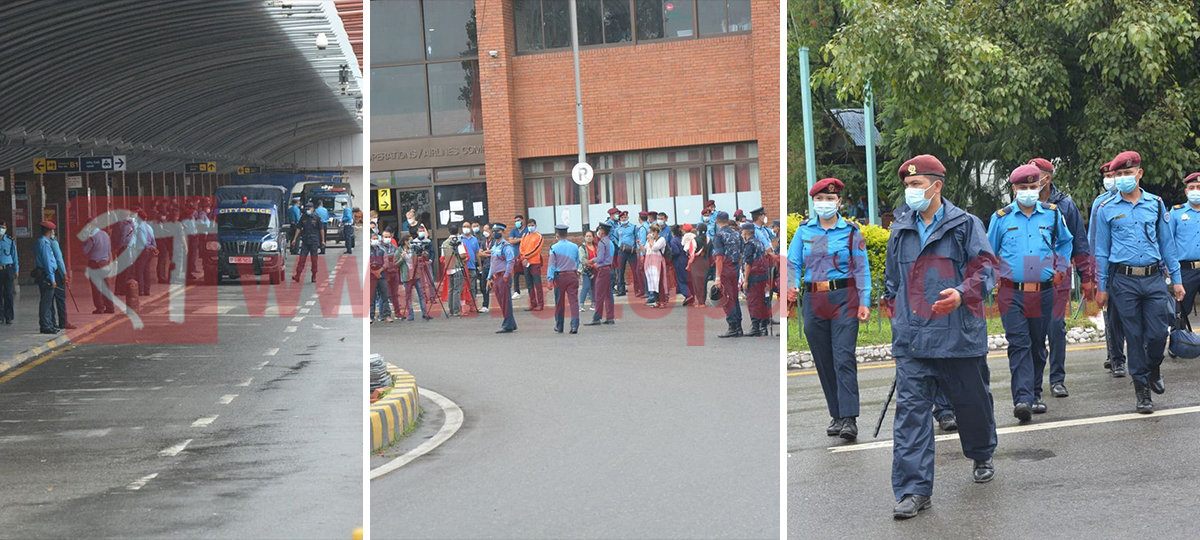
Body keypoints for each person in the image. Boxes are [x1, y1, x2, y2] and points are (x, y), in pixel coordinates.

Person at [881, 154, 998, 519]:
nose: (910, 192)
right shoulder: (900, 229)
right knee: (912, 416)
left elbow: (988, 269)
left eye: (916, 185)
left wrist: (963, 293)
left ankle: (981, 453)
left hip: (958, 336)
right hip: (914, 340)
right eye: (907, 186)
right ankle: (914, 490)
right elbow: (893, 281)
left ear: (936, 186)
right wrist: (897, 316)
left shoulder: (965, 225)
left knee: (971, 405)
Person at [1094, 150, 1183, 414]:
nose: (1122, 178)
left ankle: (1153, 367)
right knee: (1133, 336)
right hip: (1123, 280)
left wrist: (1176, 280)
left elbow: (1168, 245)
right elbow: (1101, 251)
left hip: (1154, 278)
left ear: (1139, 173)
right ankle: (1142, 390)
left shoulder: (1155, 204)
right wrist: (1101, 287)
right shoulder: (1105, 209)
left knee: (1158, 333)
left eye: (1127, 173)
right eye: (1118, 174)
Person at [988, 164, 1074, 423]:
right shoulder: (1001, 218)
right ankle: (1022, 399)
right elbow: (988, 252)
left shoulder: (1052, 214)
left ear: (1040, 187)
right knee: (1020, 344)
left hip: (1043, 290)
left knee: (1037, 345)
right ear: (1014, 190)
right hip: (1011, 292)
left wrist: (1061, 267)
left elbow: (1065, 241)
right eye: (1023, 188)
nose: (1028, 192)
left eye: (1032, 187)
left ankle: (1035, 393)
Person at [787, 178, 872, 439]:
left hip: (844, 298)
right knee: (823, 359)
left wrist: (864, 301)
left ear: (839, 202)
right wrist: (791, 286)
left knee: (843, 357)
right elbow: (793, 263)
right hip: (815, 299)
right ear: (813, 202)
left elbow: (862, 268)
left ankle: (849, 418)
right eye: (820, 199)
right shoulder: (805, 231)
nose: (824, 204)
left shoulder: (850, 231)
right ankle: (836, 415)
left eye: (830, 199)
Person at [1029, 157, 1093, 399]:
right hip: (1031, 271)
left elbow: (1079, 242)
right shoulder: (1021, 203)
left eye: (1036, 175)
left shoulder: (1065, 205)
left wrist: (1086, 277)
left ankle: (1057, 379)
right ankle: (1034, 383)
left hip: (1058, 272)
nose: (1031, 180)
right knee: (1034, 329)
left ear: (1047, 177)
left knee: (1056, 326)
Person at [1090, 160, 1126, 376]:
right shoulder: (1100, 204)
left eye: (1113, 175)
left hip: (1130, 265)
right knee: (1111, 315)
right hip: (1109, 267)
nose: (1110, 180)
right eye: (1107, 176)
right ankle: (1116, 358)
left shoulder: (1142, 201)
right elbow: (1093, 237)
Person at [1170, 172, 1200, 329]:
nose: (1196, 190)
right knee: (1181, 309)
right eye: (1192, 187)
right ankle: (1177, 342)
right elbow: (1168, 241)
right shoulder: (1176, 212)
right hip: (1186, 270)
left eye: (1199, 187)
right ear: (1186, 191)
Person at [711, 211, 744, 338]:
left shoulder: (719, 236)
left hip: (724, 268)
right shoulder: (736, 234)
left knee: (726, 298)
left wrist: (718, 277)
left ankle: (732, 327)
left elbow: (719, 258)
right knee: (734, 296)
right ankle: (738, 326)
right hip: (735, 267)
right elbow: (741, 253)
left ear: (717, 221)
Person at [546, 224, 581, 334]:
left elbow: (551, 265)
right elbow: (577, 261)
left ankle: (559, 325)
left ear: (557, 234)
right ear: (567, 234)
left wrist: (550, 279)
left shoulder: (554, 248)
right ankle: (574, 325)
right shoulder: (575, 246)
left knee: (559, 302)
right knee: (574, 301)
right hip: (572, 275)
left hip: (559, 276)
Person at [740, 221, 772, 336]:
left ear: (745, 232)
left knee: (753, 301)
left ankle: (755, 327)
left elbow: (748, 263)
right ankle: (763, 326)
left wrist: (746, 280)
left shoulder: (749, 244)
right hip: (762, 275)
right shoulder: (759, 243)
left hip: (753, 275)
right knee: (761, 300)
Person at [487, 223, 518, 333]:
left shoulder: (506, 246)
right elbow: (492, 263)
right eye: (494, 231)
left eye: (498, 231)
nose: (495, 233)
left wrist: (506, 275)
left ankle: (507, 324)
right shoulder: (494, 246)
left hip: (503, 276)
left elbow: (511, 261)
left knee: (505, 301)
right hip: (495, 277)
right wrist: (489, 277)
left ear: (503, 232)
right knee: (501, 300)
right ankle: (511, 323)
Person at [585, 222, 616, 326]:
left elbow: (600, 258)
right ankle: (610, 317)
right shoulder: (609, 242)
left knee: (598, 294)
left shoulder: (602, 243)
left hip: (603, 270)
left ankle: (597, 317)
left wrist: (591, 260)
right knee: (608, 294)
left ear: (602, 231)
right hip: (610, 269)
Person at [82, 222, 115, 315]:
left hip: (94, 263)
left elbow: (85, 251)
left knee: (96, 287)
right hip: (105, 262)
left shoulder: (91, 237)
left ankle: (99, 308)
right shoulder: (105, 234)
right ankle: (110, 307)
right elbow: (109, 250)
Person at [35, 221, 59, 335]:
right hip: (46, 274)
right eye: (53, 230)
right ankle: (45, 325)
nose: (54, 232)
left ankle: (49, 324)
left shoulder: (44, 242)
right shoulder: (44, 243)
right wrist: (52, 278)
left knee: (48, 301)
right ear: (50, 231)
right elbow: (47, 262)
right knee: (46, 302)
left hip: (46, 273)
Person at [291, 202, 325, 283]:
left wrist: (323, 241)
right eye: (306, 209)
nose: (307, 210)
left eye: (309, 209)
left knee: (314, 260)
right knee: (301, 259)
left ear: (313, 209)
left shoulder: (317, 218)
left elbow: (321, 229)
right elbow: (299, 228)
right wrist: (294, 239)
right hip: (305, 242)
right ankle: (297, 275)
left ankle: (314, 276)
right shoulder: (303, 217)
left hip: (314, 242)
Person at [519, 218, 545, 311]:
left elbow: (536, 250)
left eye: (532, 225)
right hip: (526, 263)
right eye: (529, 225)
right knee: (529, 284)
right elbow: (521, 247)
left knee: (537, 284)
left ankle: (540, 304)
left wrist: (526, 256)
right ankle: (533, 303)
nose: (530, 227)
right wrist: (523, 256)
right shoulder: (524, 236)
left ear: (535, 226)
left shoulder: (539, 236)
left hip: (535, 263)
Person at [441, 230, 468, 317]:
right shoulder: (458, 242)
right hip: (457, 268)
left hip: (449, 268)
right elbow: (463, 255)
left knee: (450, 290)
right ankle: (456, 310)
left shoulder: (444, 243)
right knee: (457, 290)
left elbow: (443, 257)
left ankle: (451, 310)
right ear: (457, 232)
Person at [369, 232, 392, 323]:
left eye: (376, 238)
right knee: (372, 297)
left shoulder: (382, 250)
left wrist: (379, 271)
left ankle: (387, 315)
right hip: (371, 277)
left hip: (382, 276)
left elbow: (386, 263)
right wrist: (374, 272)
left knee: (385, 295)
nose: (375, 240)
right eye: (373, 238)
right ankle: (371, 316)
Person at [644, 225, 668, 306]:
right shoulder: (649, 241)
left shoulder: (661, 239)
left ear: (656, 232)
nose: (650, 234)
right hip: (650, 262)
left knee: (660, 281)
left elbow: (654, 248)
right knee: (652, 282)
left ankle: (663, 301)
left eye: (651, 232)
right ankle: (657, 301)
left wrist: (650, 240)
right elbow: (646, 249)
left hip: (658, 262)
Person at [459, 221, 480, 315]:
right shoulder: (460, 239)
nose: (466, 228)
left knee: (472, 287)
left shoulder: (474, 239)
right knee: (463, 287)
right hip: (462, 267)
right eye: (464, 226)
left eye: (467, 226)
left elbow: (477, 253)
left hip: (472, 266)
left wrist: (479, 265)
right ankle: (463, 306)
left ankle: (473, 305)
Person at [614, 211, 636, 296]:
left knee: (635, 269)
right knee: (620, 270)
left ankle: (638, 288)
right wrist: (619, 245)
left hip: (631, 251)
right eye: (622, 218)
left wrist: (634, 246)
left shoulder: (633, 227)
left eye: (625, 217)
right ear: (620, 219)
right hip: (622, 251)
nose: (624, 219)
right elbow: (615, 238)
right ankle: (621, 290)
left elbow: (636, 237)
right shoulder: (617, 229)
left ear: (628, 218)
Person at [671, 225, 693, 305]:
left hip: (679, 261)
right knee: (688, 278)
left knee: (680, 279)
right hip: (687, 259)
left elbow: (675, 252)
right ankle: (691, 295)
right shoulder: (684, 239)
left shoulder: (674, 241)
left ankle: (688, 294)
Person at [0, 220, 16, 324]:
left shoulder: (10, 241)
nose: (1, 229)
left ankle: (9, 316)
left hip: (8, 269)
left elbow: (15, 257)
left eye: (3, 227)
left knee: (9, 293)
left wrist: (16, 270)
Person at [507, 214, 526, 298]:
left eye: (518, 221)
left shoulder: (527, 230)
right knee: (516, 273)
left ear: (522, 220)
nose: (517, 223)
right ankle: (516, 291)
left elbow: (527, 241)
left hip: (525, 254)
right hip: (515, 254)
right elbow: (510, 241)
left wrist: (516, 239)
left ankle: (531, 289)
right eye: (515, 221)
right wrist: (521, 239)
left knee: (527, 272)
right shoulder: (513, 231)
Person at [633, 211, 650, 298]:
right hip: (647, 251)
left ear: (639, 219)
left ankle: (645, 290)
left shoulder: (643, 228)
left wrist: (642, 254)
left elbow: (642, 242)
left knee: (640, 271)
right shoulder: (648, 226)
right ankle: (645, 290)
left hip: (643, 252)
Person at [579, 230, 596, 311]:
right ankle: (581, 305)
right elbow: (582, 259)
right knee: (586, 286)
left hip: (595, 269)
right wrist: (590, 263)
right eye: (587, 236)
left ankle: (593, 304)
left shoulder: (596, 247)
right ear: (584, 237)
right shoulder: (582, 248)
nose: (589, 238)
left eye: (590, 236)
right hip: (586, 270)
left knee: (593, 287)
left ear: (593, 237)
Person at [476, 223, 492, 313]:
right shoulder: (483, 241)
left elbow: (494, 252)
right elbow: (479, 253)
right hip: (486, 265)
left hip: (494, 266)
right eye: (484, 230)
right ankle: (485, 305)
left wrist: (484, 253)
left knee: (497, 286)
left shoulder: (494, 241)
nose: (485, 232)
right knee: (483, 286)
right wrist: (487, 253)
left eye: (486, 230)